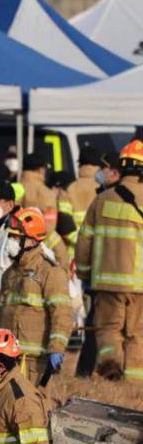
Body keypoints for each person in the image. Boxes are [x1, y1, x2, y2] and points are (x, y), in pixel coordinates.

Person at [75, 140, 143, 381]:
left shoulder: (102, 200)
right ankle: (135, 383)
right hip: (140, 287)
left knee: (109, 329)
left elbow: (84, 241)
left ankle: (112, 373)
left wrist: (84, 274)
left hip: (107, 283)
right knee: (137, 334)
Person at [0, 207, 74, 386]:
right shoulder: (9, 275)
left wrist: (56, 348)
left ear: (31, 240)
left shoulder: (50, 272)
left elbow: (62, 313)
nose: (10, 242)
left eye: (15, 237)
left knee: (33, 411)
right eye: (10, 237)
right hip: (4, 361)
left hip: (33, 364)